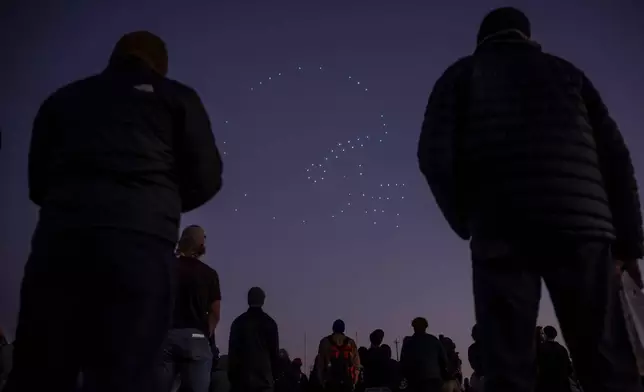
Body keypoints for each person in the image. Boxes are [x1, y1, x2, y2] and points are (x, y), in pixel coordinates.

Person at [417, 6, 643, 392]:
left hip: (501, 225)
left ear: (482, 39)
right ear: (527, 35)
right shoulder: (569, 75)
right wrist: (629, 244)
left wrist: (465, 220)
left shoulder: (461, 75)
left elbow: (433, 155)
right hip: (583, 227)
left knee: (508, 364)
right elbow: (616, 160)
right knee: (605, 359)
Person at [5, 31, 223, 392]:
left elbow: (37, 183)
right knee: (126, 374)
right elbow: (207, 177)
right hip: (142, 250)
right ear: (161, 67)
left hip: (61, 245)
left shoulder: (64, 99)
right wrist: (157, 205)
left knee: (40, 371)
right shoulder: (178, 100)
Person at [157, 225, 222, 392]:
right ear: (201, 246)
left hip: (167, 335)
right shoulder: (209, 274)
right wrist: (205, 332)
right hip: (196, 337)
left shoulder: (167, 267)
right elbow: (215, 312)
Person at [228, 287, 280, 392]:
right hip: (264, 379)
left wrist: (233, 377)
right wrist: (274, 376)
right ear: (263, 300)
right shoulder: (270, 323)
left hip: (242, 379)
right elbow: (274, 353)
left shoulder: (238, 322)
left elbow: (233, 352)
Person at [399, 318, 448, 392]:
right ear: (425, 327)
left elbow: (403, 363)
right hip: (433, 380)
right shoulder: (433, 340)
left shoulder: (408, 343)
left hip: (415, 381)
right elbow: (444, 360)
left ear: (413, 327)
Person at [316, 320, 361, 392]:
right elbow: (357, 364)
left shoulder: (324, 342)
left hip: (330, 380)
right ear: (343, 329)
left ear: (333, 328)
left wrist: (322, 381)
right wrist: (354, 381)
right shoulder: (350, 342)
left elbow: (320, 364)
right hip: (346, 380)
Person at [536, 326, 573, 392]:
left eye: (542, 333)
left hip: (545, 387)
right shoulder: (562, 349)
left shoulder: (540, 349)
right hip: (562, 387)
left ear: (545, 335)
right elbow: (569, 369)